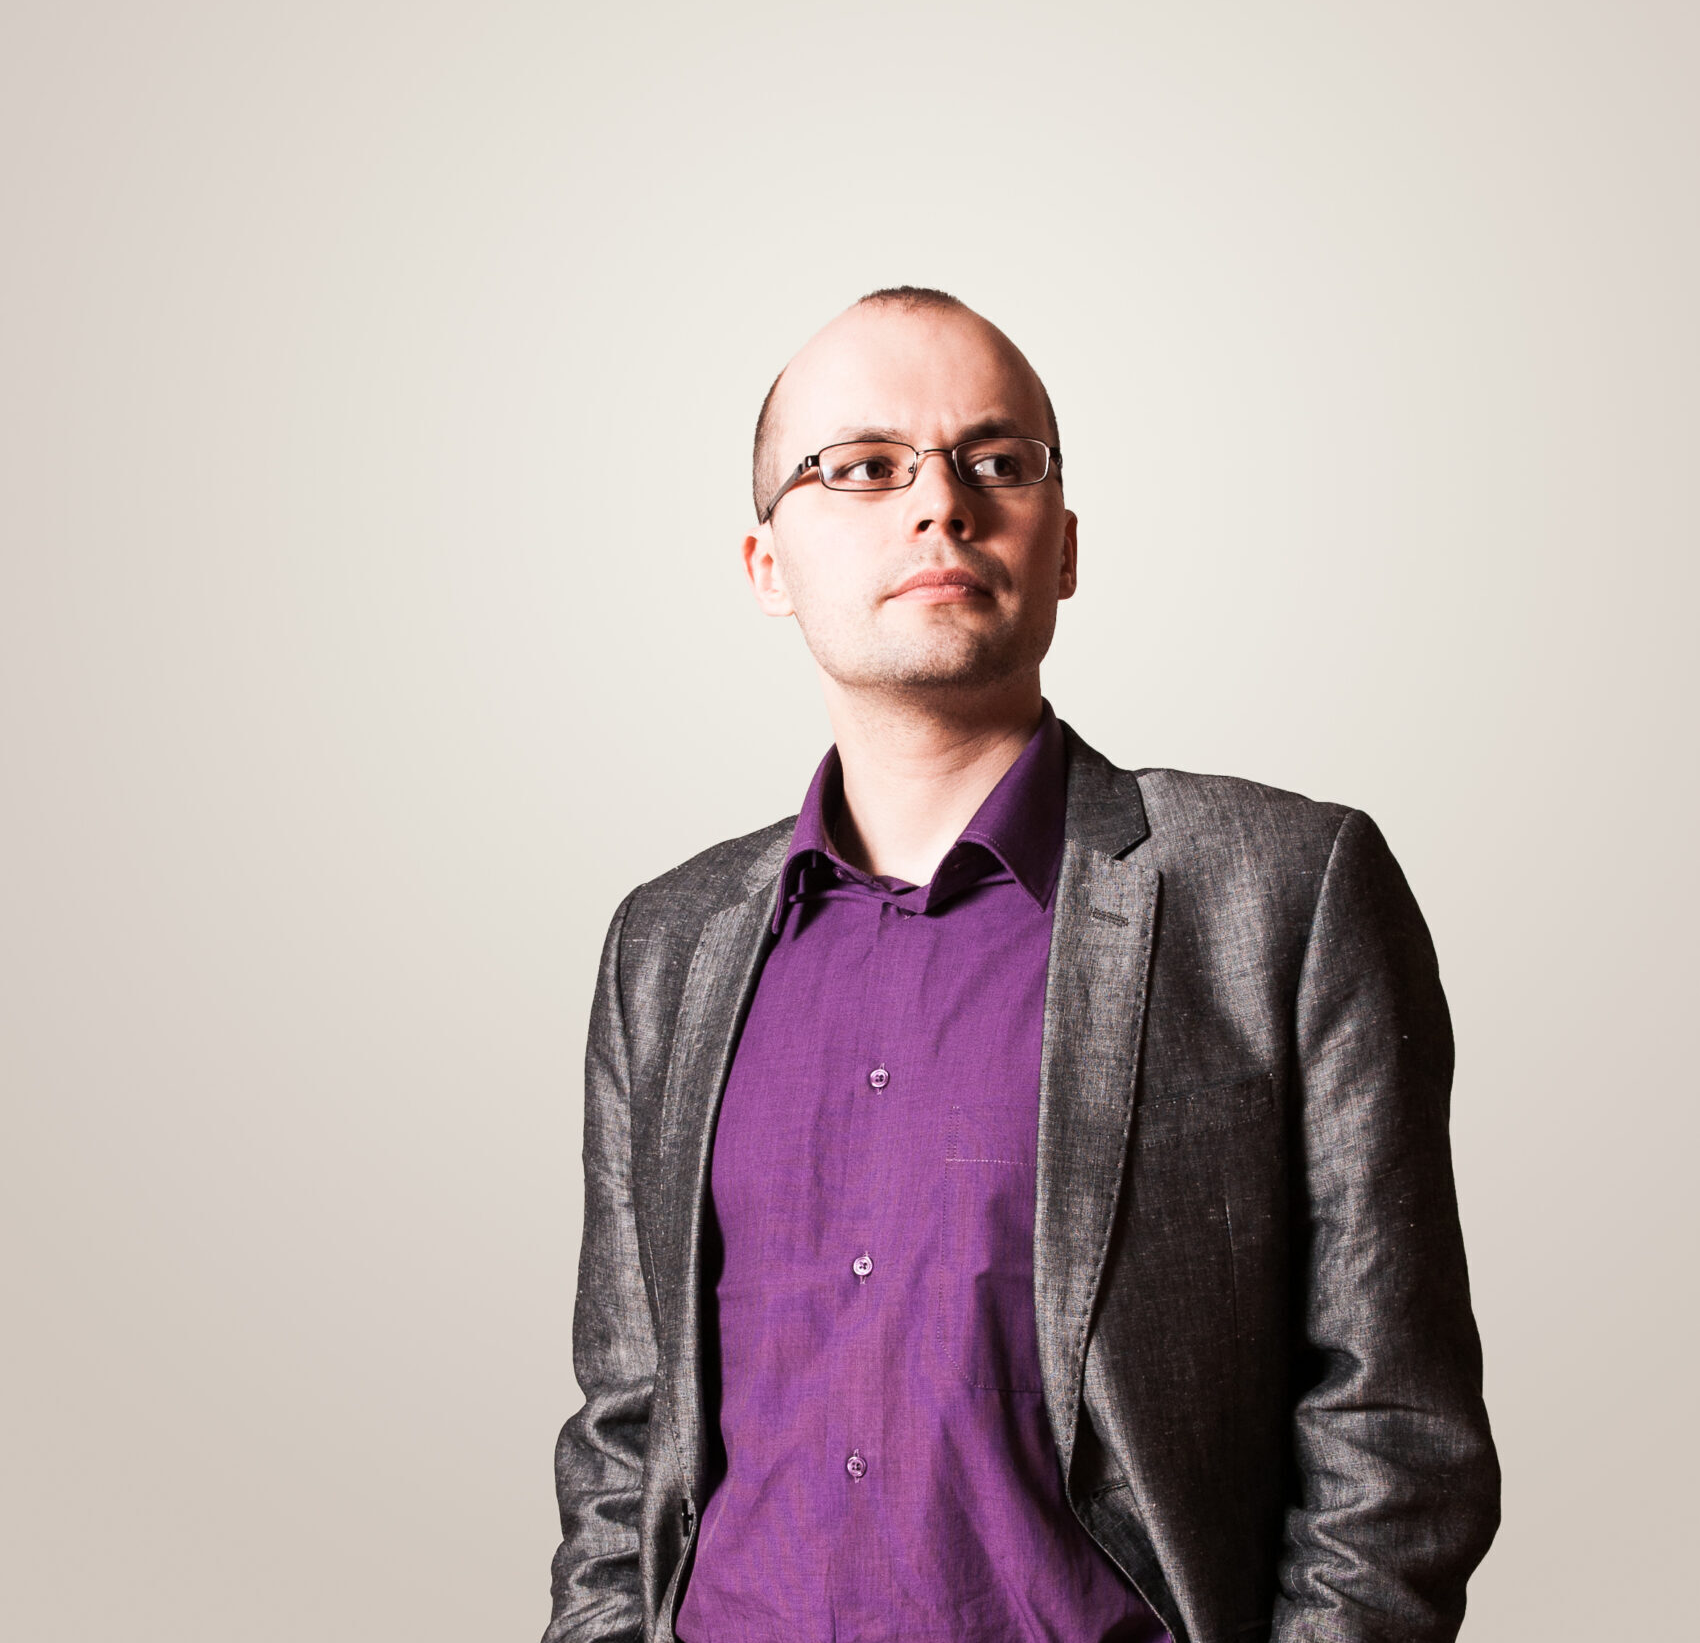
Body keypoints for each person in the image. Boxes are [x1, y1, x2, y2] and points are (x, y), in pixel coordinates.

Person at [542, 288, 1499, 1643]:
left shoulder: (1281, 893)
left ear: (1064, 547)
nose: (940, 504)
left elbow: (1391, 1428)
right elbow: (626, 1430)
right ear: (767, 564)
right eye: (863, 467)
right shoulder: (669, 944)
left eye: (996, 461)